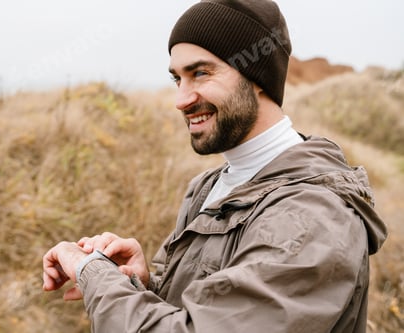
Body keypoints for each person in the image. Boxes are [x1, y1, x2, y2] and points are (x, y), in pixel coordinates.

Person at [42, 0, 387, 332]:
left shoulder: (311, 217)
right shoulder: (209, 186)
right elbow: (209, 311)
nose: (181, 100)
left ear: (257, 76)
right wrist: (145, 283)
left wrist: (91, 271)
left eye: (201, 73)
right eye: (178, 78)